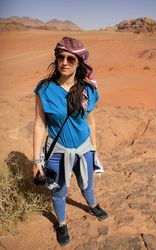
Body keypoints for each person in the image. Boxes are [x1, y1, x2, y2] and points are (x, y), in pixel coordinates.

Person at [32, 36, 108, 247]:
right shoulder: (44, 90)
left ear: (79, 63)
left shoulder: (88, 91)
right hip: (57, 152)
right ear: (56, 60)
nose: (64, 62)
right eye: (60, 57)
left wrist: (95, 150)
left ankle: (92, 205)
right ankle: (62, 223)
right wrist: (36, 161)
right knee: (58, 190)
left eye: (70, 59)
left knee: (87, 183)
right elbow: (39, 125)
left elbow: (91, 122)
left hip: (84, 148)